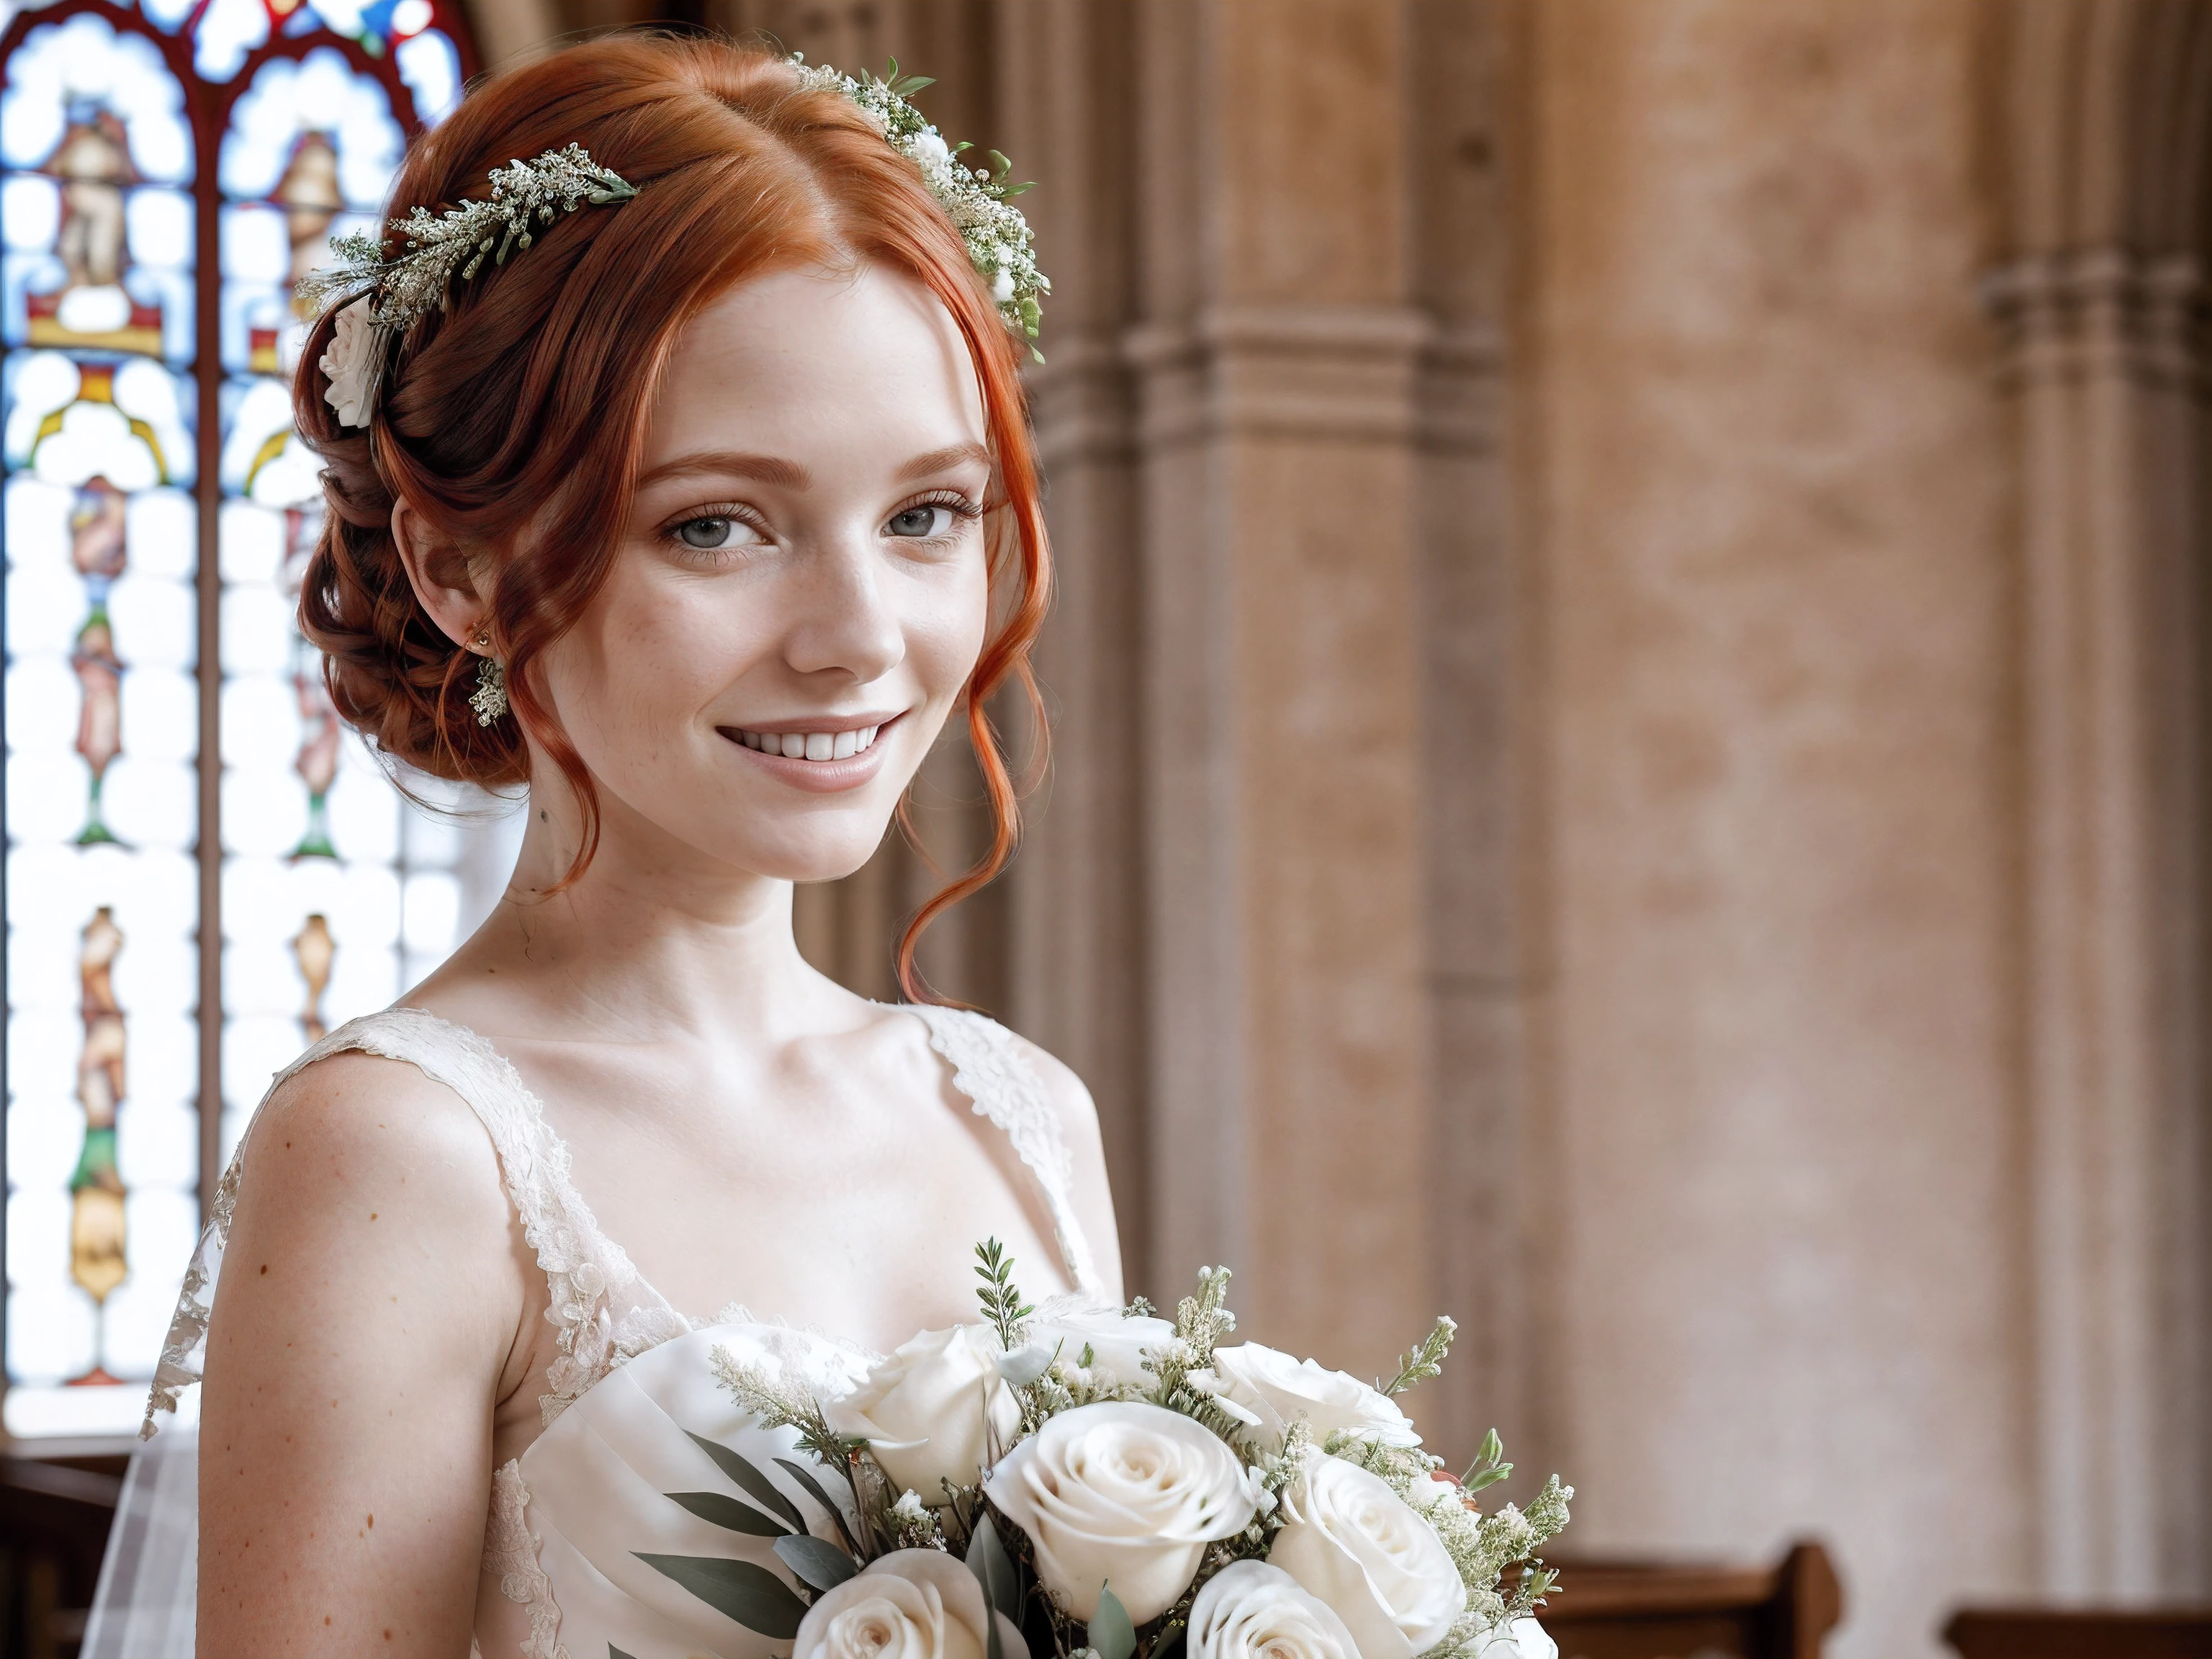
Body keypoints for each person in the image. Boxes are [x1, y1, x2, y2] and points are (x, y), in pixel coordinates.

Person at [100, 34, 1118, 1659]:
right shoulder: (404, 1159)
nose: (858, 639)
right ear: (460, 569)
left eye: (926, 514)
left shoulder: (1023, 1119)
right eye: (717, 524)